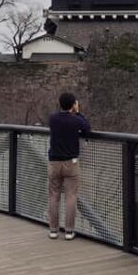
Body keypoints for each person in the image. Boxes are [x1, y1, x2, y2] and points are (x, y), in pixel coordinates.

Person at [47, 92, 91, 240]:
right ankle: (69, 231)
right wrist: (78, 112)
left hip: (54, 162)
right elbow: (87, 128)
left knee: (54, 196)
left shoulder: (53, 119)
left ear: (59, 104)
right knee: (71, 197)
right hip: (71, 163)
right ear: (73, 105)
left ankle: (53, 230)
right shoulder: (75, 120)